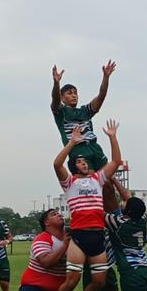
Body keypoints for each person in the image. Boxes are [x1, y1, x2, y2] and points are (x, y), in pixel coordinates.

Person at [47, 120, 124, 291]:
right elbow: (56, 164)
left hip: (97, 235)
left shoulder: (97, 179)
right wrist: (72, 142)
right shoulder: (70, 182)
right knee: (72, 280)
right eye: (80, 162)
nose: (84, 163)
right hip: (79, 237)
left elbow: (116, 162)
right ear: (74, 167)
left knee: (99, 281)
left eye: (85, 161)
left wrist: (112, 137)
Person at [51, 61, 119, 210]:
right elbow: (55, 100)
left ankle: (116, 218)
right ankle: (95, 216)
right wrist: (56, 83)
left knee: (108, 186)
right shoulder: (61, 112)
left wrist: (106, 77)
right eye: (69, 93)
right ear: (63, 98)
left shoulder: (85, 111)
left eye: (75, 92)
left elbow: (100, 97)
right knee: (93, 185)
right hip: (78, 151)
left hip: (94, 149)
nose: (74, 95)